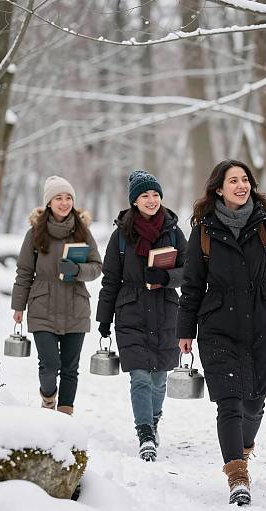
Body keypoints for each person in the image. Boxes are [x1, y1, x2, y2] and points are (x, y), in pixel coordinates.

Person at [176, 159, 266, 506]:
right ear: (218, 189)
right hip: (218, 325)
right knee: (229, 402)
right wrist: (185, 329)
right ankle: (237, 475)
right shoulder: (204, 231)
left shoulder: (262, 223)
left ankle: (243, 448)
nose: (241, 186)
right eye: (233, 180)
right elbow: (192, 284)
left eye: (245, 180)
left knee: (254, 403)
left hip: (261, 321)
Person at [96, 170, 187, 462]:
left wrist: (166, 276)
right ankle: (145, 434)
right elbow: (110, 279)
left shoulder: (174, 232)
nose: (151, 200)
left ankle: (153, 421)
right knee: (139, 376)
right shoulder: (121, 236)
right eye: (145, 195)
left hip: (165, 312)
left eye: (155, 195)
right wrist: (103, 318)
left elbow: (191, 273)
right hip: (130, 311)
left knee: (159, 377)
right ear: (135, 201)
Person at [11, 175, 102, 415]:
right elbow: (24, 272)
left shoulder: (83, 231)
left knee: (71, 368)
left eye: (69, 197)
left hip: (76, 307)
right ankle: (48, 399)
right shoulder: (35, 234)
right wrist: (18, 306)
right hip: (43, 306)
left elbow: (97, 267)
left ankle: (64, 416)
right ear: (49, 203)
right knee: (50, 365)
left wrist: (78, 270)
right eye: (58, 198)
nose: (64, 202)